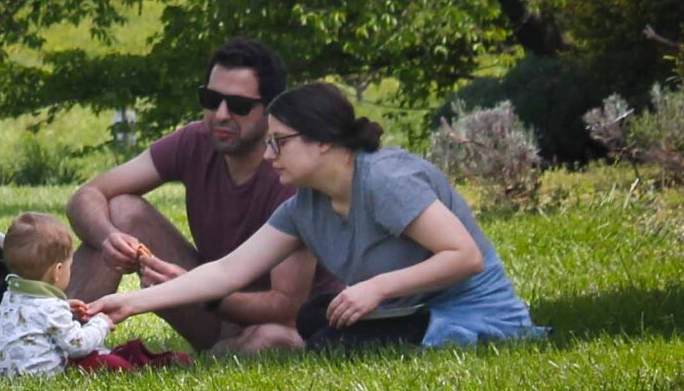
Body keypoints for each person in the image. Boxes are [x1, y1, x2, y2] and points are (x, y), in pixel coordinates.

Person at [85, 84, 545, 351]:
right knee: (315, 319)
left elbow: (464, 257)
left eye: (278, 142)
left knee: (334, 340)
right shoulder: (305, 206)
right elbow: (228, 272)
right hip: (411, 310)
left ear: (322, 141)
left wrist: (376, 287)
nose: (268, 155)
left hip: (472, 317)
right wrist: (131, 304)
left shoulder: (384, 179)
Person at [64, 37, 326, 357]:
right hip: (211, 304)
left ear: (271, 110)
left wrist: (197, 290)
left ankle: (219, 354)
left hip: (277, 323)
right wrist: (108, 238)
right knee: (119, 210)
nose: (221, 114)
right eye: (211, 99)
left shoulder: (291, 172)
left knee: (275, 340)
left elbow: (287, 307)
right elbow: (87, 195)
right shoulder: (194, 140)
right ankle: (57, 338)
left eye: (239, 105)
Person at [0, 212, 113, 378]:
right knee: (102, 359)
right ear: (58, 270)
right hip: (37, 376)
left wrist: (65, 307)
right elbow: (78, 345)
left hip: (5, 373)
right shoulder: (51, 309)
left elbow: (31, 318)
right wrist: (100, 324)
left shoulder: (12, 294)